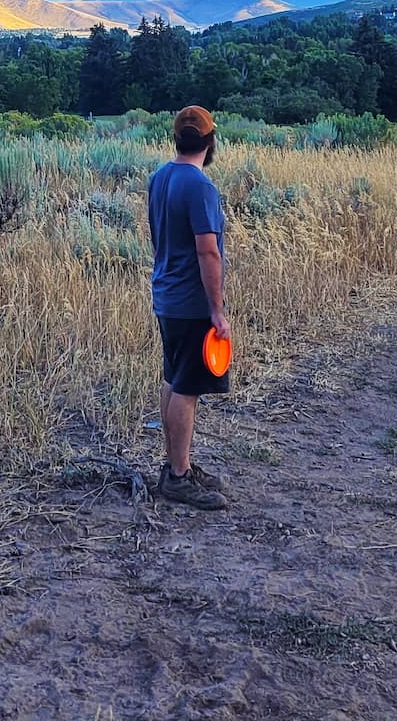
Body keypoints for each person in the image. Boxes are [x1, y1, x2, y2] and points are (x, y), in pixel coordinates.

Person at [147, 104, 230, 510]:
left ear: (176, 138)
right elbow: (208, 253)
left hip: (165, 295)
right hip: (190, 302)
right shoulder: (200, 187)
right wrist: (216, 310)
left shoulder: (159, 177)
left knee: (173, 380)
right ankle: (179, 478)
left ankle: (176, 465)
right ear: (211, 142)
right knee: (187, 388)